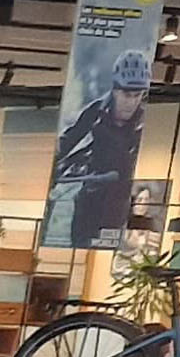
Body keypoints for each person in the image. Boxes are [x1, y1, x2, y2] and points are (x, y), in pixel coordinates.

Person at [50, 50, 151, 247]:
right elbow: (68, 140)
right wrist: (53, 167)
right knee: (79, 242)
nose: (131, 102)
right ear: (115, 90)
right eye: (126, 94)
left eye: (137, 95)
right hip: (91, 193)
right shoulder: (95, 112)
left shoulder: (142, 124)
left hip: (119, 201)